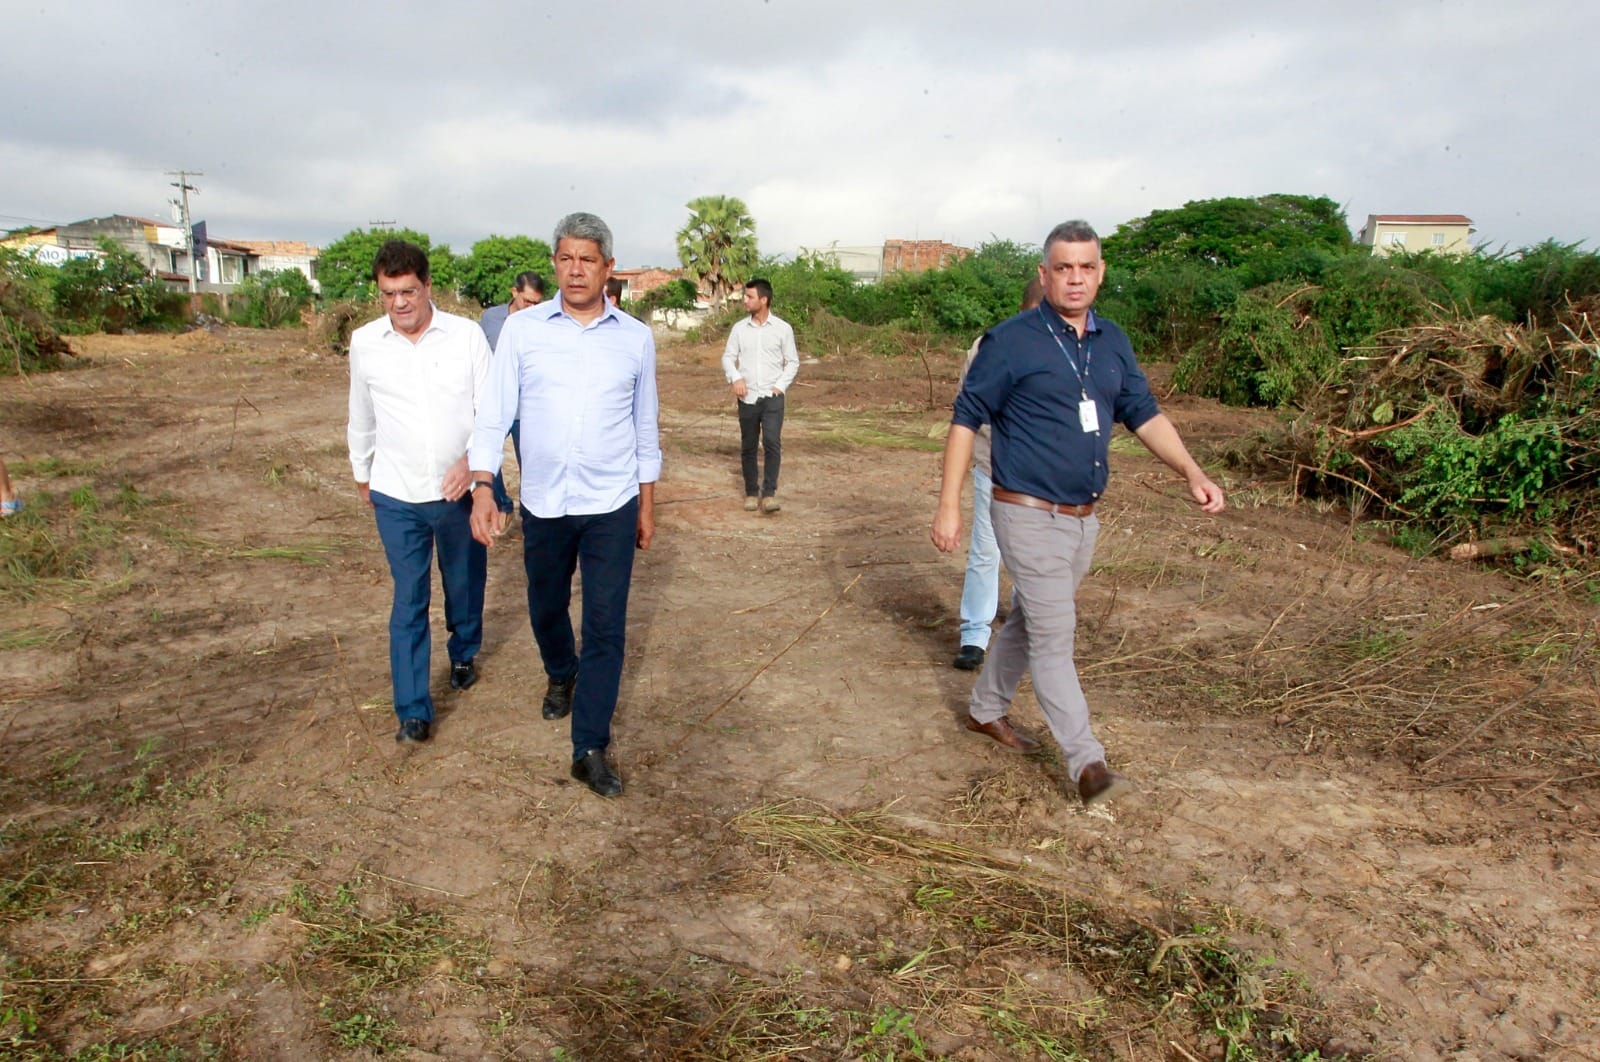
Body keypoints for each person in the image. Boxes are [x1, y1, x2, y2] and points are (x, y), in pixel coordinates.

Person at [931, 220, 1225, 807]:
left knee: (1031, 621)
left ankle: (986, 710)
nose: (1075, 278)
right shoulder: (1010, 341)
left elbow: (1143, 412)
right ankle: (1088, 763)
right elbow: (966, 419)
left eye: (1086, 267)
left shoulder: (1112, 340)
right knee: (1055, 634)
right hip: (1025, 510)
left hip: (1083, 517)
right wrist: (949, 505)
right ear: (1044, 274)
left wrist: (1191, 471)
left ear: (1100, 273)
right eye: (1063, 267)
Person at [467, 213, 660, 799]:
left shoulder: (635, 338)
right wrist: (482, 484)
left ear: (607, 269)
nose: (576, 270)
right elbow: (494, 414)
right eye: (566, 258)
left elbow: (644, 427)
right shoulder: (523, 333)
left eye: (588, 259)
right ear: (555, 264)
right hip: (546, 504)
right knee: (546, 606)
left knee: (606, 625)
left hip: (612, 503)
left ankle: (589, 746)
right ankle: (560, 672)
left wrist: (647, 505)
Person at [348, 239, 493, 745]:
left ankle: (463, 652)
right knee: (409, 597)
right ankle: (413, 709)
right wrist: (362, 474)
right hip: (395, 493)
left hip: (456, 494)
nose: (400, 304)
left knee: (463, 584)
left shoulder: (467, 337)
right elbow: (360, 414)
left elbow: (490, 412)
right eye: (389, 294)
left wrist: (473, 466)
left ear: (428, 286)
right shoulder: (366, 343)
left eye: (408, 291)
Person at [953, 277, 1043, 672]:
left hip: (1045, 477)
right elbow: (968, 410)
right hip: (995, 467)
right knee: (986, 551)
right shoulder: (989, 347)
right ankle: (975, 634)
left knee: (1035, 555)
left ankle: (1030, 626)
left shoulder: (1069, 348)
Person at [721, 278, 798, 513]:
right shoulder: (739, 329)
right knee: (749, 445)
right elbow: (727, 357)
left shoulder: (783, 329)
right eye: (745, 296)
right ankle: (752, 493)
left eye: (749, 297)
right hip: (748, 397)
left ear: (763, 300)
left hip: (772, 397)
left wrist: (780, 386)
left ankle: (770, 494)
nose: (744, 300)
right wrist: (735, 377)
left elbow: (792, 362)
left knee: (772, 442)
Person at [479, 272, 546, 524]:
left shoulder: (542, 323)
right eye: (527, 301)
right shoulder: (490, 319)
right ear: (514, 292)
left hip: (527, 410)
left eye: (536, 303)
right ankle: (502, 505)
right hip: (496, 405)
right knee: (486, 456)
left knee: (530, 464)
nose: (532, 307)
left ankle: (532, 515)